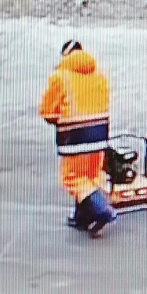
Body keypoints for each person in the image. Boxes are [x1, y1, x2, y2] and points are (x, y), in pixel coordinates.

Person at [39, 40, 117, 238]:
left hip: (75, 136)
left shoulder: (60, 77)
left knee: (72, 177)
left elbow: (47, 111)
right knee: (90, 177)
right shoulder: (99, 76)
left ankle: (102, 211)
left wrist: (57, 119)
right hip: (100, 134)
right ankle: (82, 217)